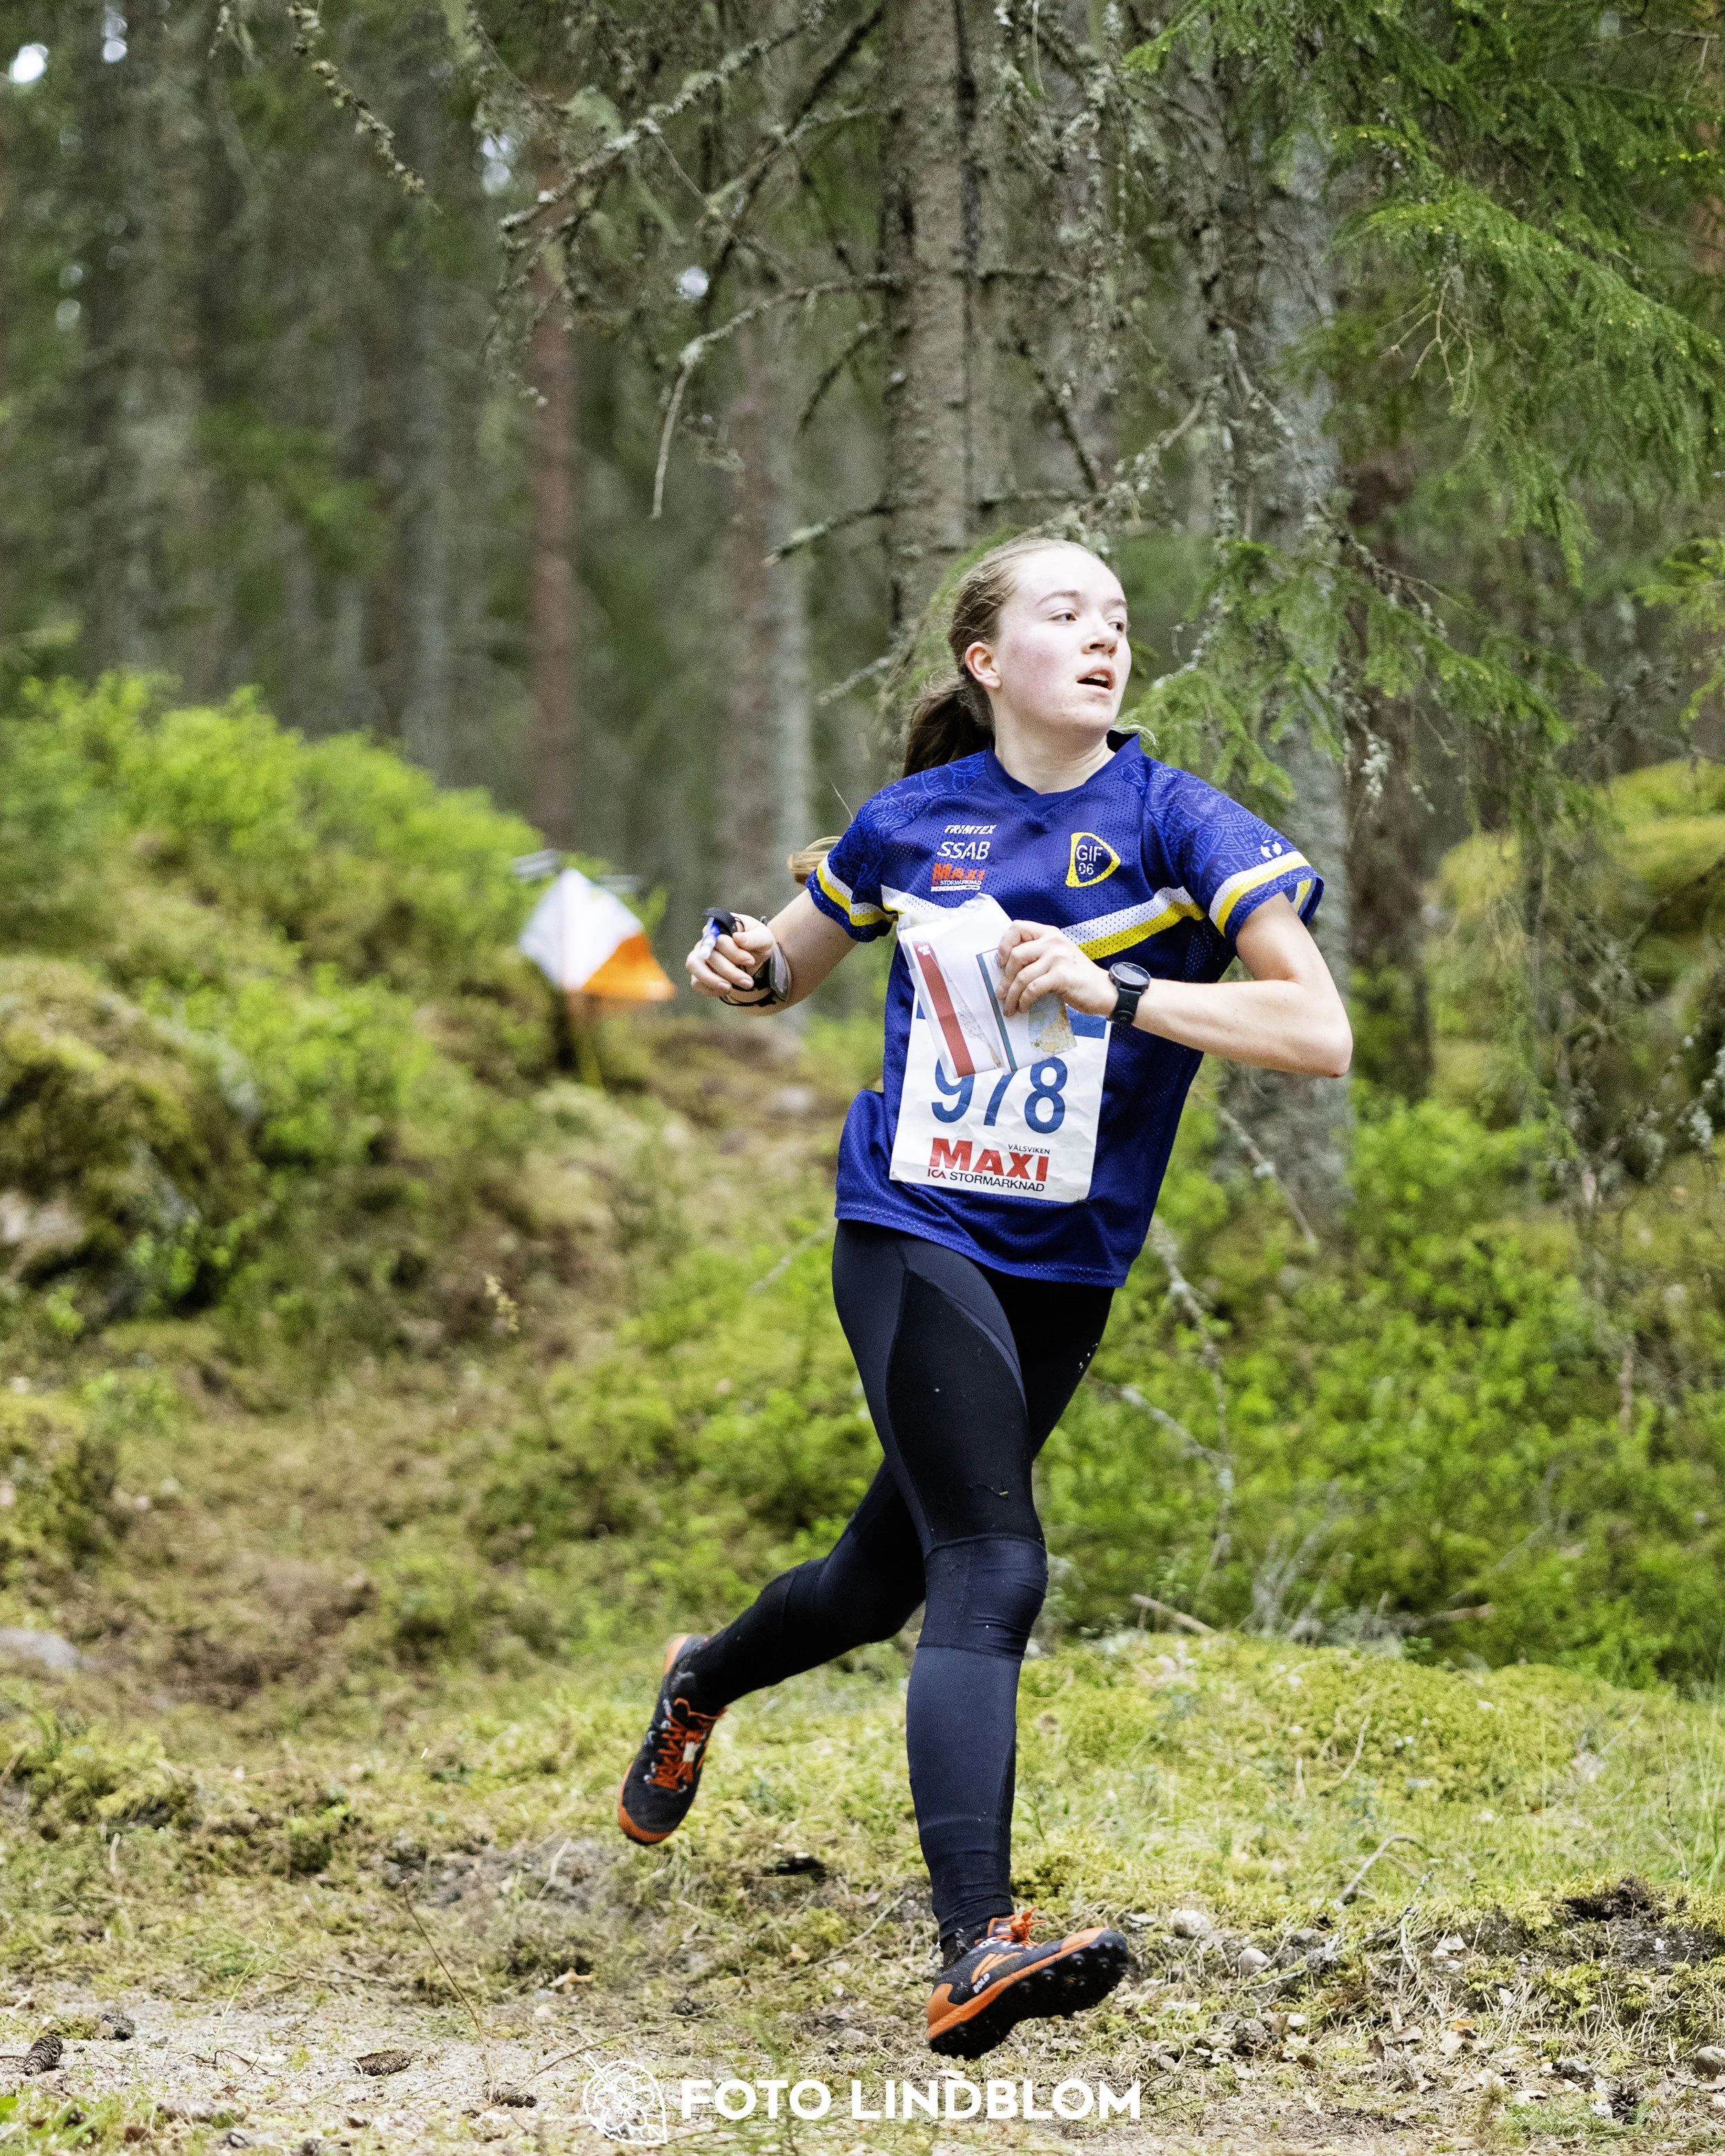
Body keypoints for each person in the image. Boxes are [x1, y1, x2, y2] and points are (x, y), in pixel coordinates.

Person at [615, 533, 1352, 2059]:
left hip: (1062, 1265)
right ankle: (974, 1941)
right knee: (992, 1562)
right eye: (1063, 612)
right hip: (909, 1222)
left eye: (1117, 618)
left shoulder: (1172, 821)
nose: (1102, 638)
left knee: (875, 1581)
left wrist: (1119, 987)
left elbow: (1313, 1029)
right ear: (984, 658)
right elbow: (786, 970)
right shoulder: (911, 820)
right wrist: (740, 962)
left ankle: (701, 1676)